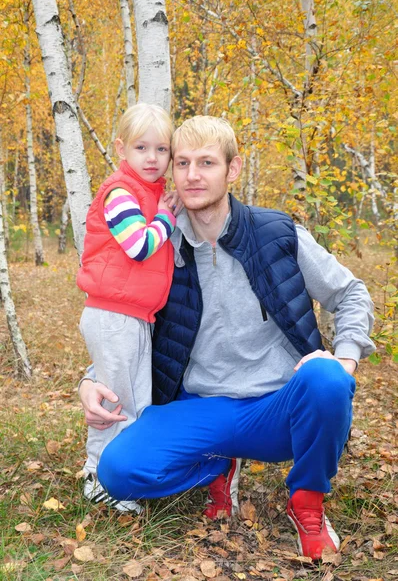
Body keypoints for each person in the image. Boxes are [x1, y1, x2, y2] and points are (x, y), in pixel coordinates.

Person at [79, 115, 375, 560]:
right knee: (117, 472)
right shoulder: (159, 241)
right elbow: (124, 316)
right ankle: (216, 463)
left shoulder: (277, 235)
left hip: (275, 409)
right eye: (181, 163)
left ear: (231, 170)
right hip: (198, 406)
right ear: (171, 172)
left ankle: (307, 504)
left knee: (328, 380)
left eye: (207, 162)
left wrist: (347, 357)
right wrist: (89, 379)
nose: (193, 175)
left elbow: (351, 293)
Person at [76, 103, 177, 513]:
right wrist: (167, 217)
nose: (152, 158)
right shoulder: (121, 193)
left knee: (136, 400)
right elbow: (139, 246)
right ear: (121, 148)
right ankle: (99, 476)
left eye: (162, 149)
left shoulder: (149, 193)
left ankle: (125, 474)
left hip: (134, 315)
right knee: (117, 400)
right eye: (141, 148)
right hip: (113, 314)